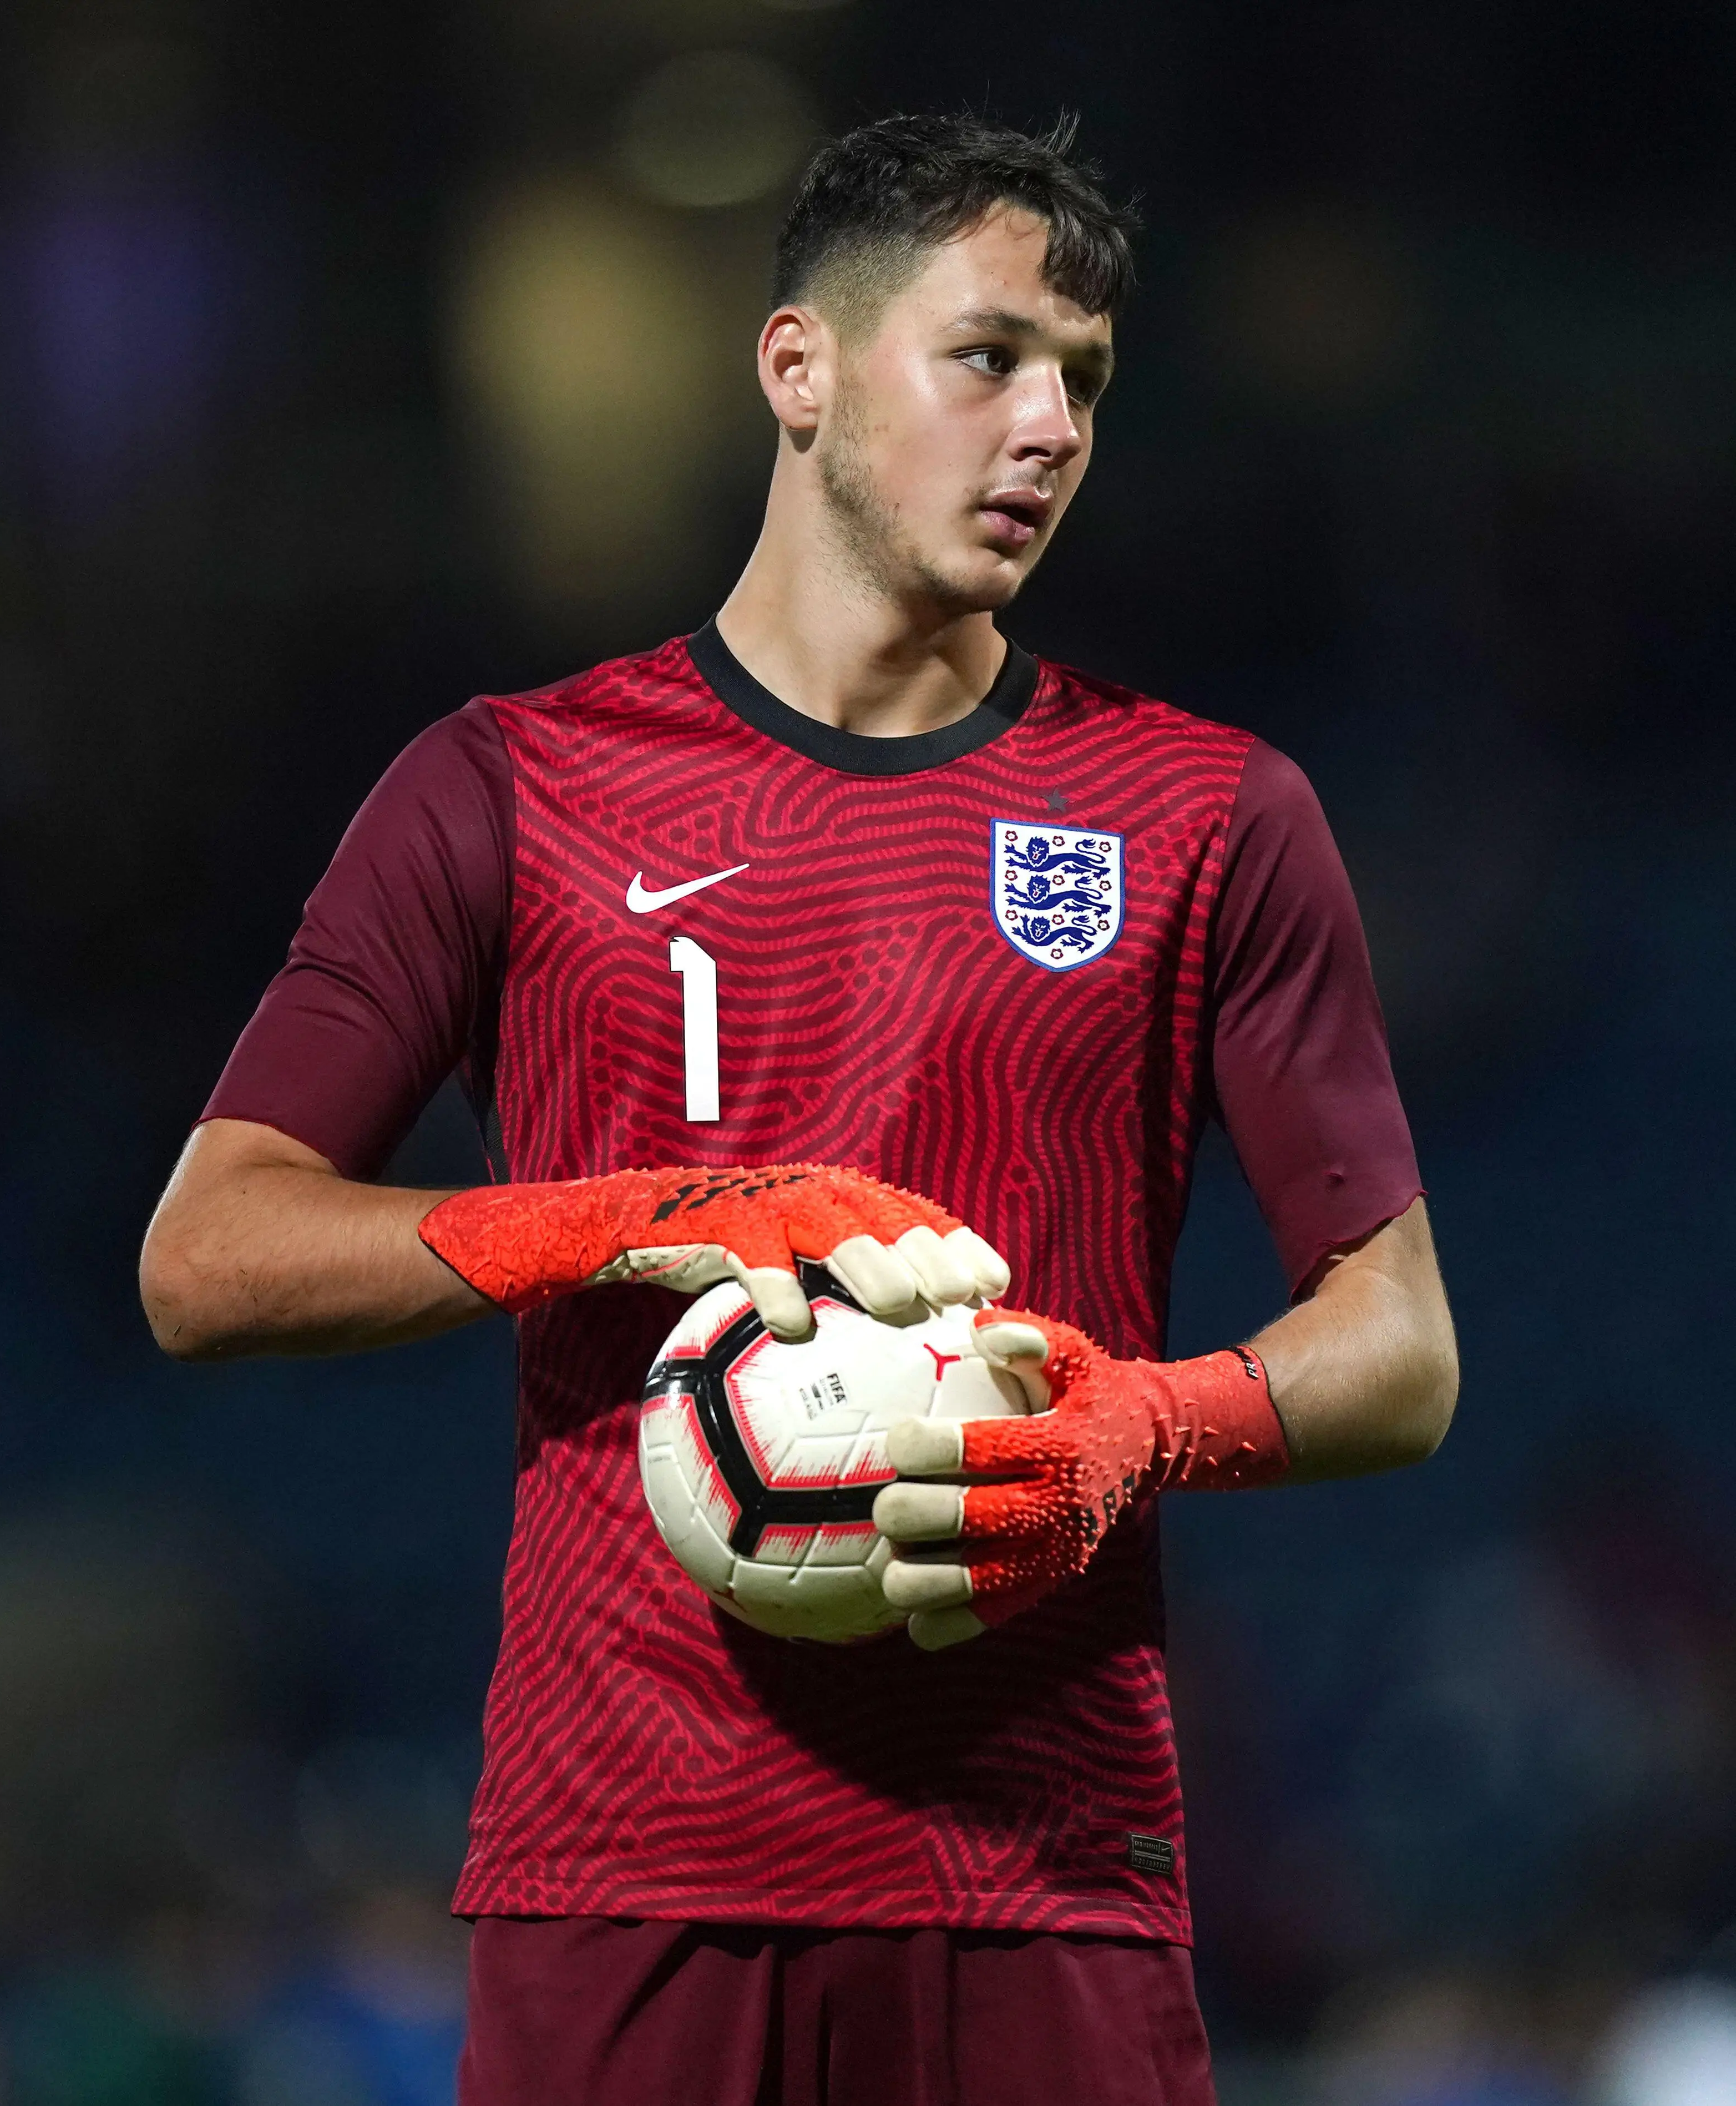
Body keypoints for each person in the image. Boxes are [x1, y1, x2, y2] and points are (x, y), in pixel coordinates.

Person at [140, 113, 1458, 2106]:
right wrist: (632, 1215)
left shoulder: (1207, 813)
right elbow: (204, 1256)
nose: (1047, 429)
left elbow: (1401, 1348)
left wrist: (1137, 1425)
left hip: (1047, 1870)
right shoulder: (511, 783)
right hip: (627, 1870)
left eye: (1085, 383)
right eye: (988, 355)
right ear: (798, 367)